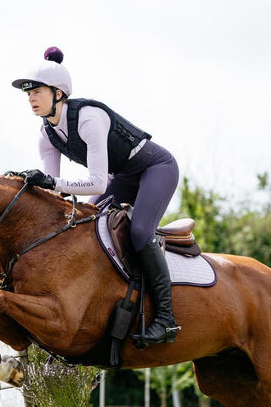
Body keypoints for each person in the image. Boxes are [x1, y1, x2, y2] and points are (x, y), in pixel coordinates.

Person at [11, 46, 180, 345]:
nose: (31, 99)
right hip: (122, 177)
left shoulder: (89, 118)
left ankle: (166, 319)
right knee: (84, 227)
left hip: (155, 168)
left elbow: (98, 183)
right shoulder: (46, 135)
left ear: (59, 93)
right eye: (28, 94)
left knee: (140, 231)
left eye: (37, 91)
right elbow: (55, 189)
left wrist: (51, 182)